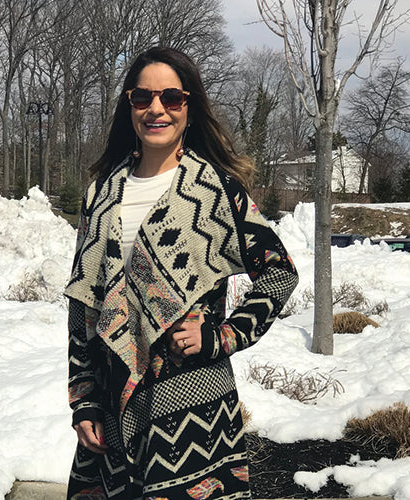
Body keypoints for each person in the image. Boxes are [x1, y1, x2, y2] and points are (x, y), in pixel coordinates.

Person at [64, 46, 298, 500]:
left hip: (195, 408)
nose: (156, 109)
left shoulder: (215, 191)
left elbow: (279, 272)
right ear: (128, 106)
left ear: (190, 108)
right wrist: (84, 399)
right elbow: (83, 309)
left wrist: (222, 337)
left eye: (172, 98)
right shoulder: (101, 195)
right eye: (142, 97)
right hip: (114, 404)